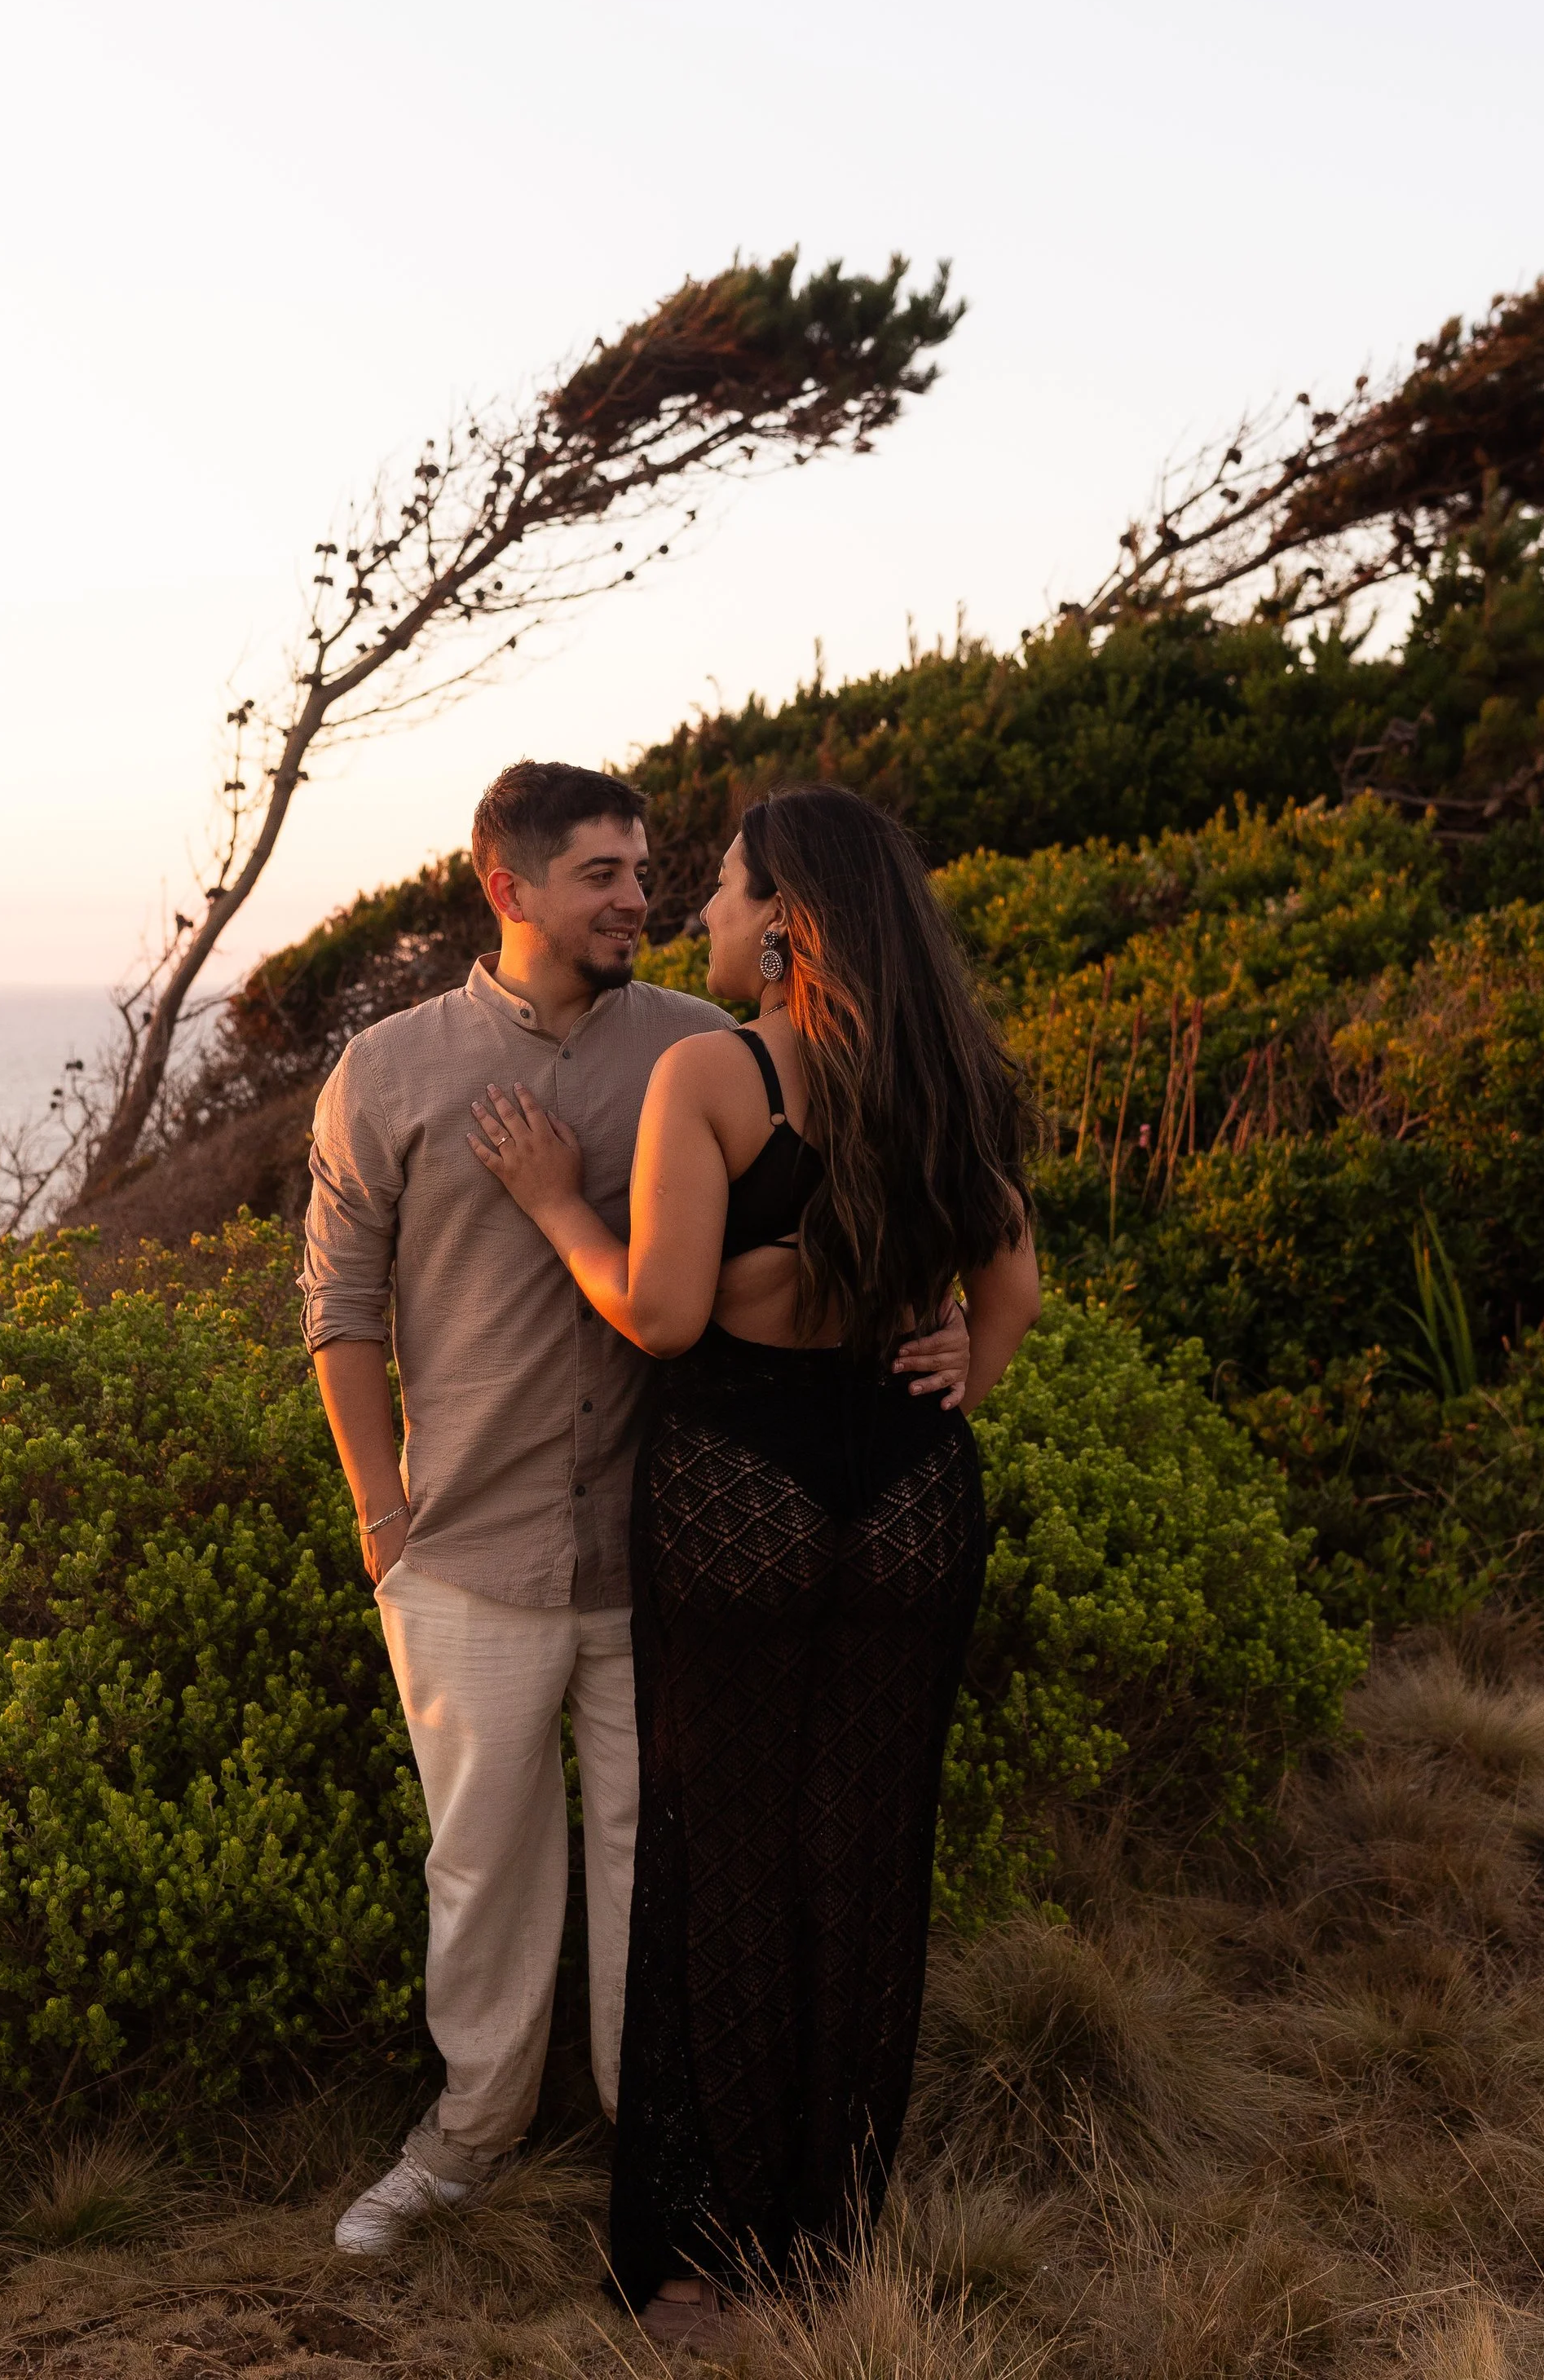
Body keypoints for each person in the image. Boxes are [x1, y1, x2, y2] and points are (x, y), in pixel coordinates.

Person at [302, 760, 971, 2255]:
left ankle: (646, 2142)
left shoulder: (704, 1046)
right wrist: (381, 1513)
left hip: (665, 1544)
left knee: (656, 1855)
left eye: (648, 865)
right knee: (478, 1860)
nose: (638, 895)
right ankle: (468, 2134)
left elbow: (870, 1198)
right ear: (510, 886)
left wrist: (959, 1335)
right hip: (464, 1543)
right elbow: (339, 1306)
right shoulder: (389, 1072)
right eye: (603, 871)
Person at [468, 785, 1041, 2342]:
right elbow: (1014, 1287)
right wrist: (950, 1381)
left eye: (719, 894)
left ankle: (699, 2265)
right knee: (863, 1859)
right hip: (910, 1491)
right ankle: (828, 2241)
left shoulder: (711, 1073)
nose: (699, 919)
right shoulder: (943, 1074)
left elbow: (656, 1313)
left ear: (785, 919)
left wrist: (548, 1204)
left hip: (743, 1493)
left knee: (717, 1862)